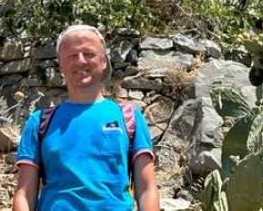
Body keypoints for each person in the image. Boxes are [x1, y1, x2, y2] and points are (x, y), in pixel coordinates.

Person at [12, 25, 160, 211]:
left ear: (104, 61)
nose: (81, 61)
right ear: (61, 66)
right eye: (72, 56)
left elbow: (147, 188)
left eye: (88, 54)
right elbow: (24, 194)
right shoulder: (40, 122)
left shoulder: (129, 117)